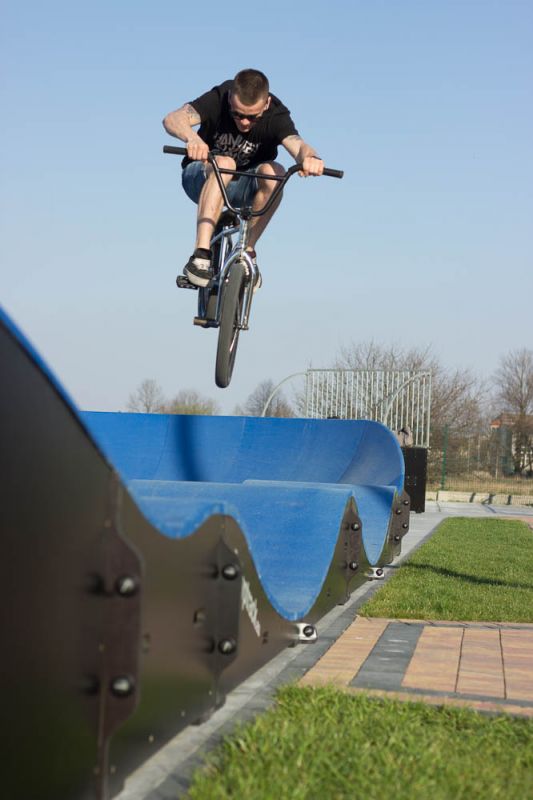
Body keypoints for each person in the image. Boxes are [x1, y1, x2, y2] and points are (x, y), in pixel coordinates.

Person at [162, 68, 324, 288]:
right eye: (238, 114)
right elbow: (173, 118)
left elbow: (299, 146)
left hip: (247, 187)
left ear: (266, 104)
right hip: (200, 178)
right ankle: (200, 256)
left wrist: (310, 158)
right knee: (225, 163)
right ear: (231, 99)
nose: (244, 122)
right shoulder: (220, 97)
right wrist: (192, 138)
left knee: (276, 172)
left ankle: (247, 254)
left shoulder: (276, 114)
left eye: (252, 117)